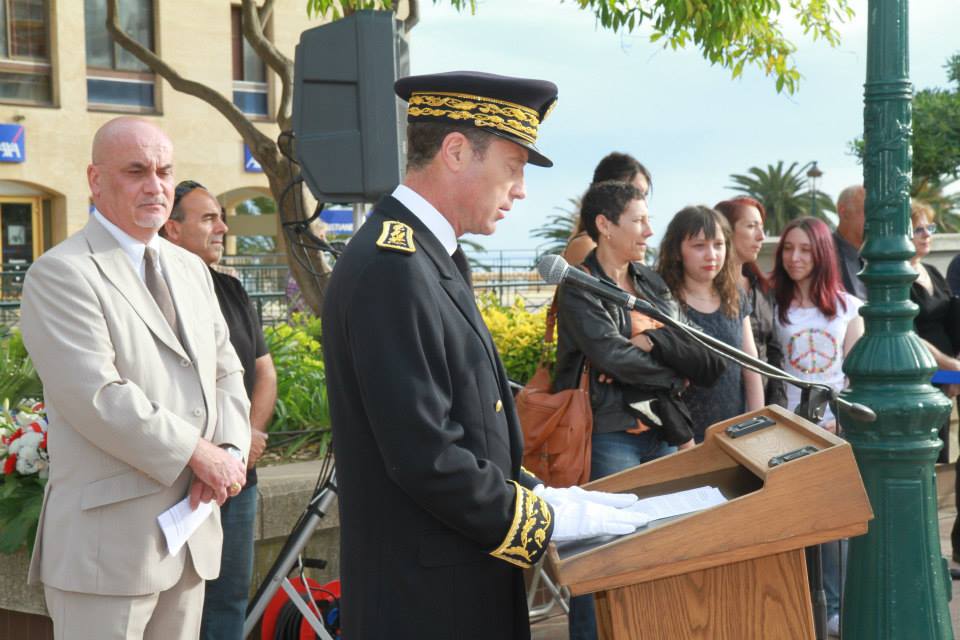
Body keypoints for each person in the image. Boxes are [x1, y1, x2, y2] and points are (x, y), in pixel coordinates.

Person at [321, 71, 650, 640]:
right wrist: (544, 520)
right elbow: (425, 455)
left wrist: (542, 494)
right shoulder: (391, 268)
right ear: (455, 152)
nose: (520, 189)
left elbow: (469, 428)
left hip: (456, 581)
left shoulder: (430, 257)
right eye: (514, 166)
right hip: (425, 604)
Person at [19, 117, 251, 639]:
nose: (155, 185)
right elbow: (97, 396)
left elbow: (226, 370)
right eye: (136, 171)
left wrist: (231, 451)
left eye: (164, 171)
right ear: (95, 180)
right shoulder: (62, 273)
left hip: (189, 534)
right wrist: (200, 454)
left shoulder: (191, 269)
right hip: (107, 552)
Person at [555, 182, 726, 640]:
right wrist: (672, 371)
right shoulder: (579, 287)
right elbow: (613, 357)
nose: (650, 230)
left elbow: (694, 349)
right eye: (639, 220)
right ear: (605, 226)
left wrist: (652, 341)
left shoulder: (650, 281)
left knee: (661, 546)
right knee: (600, 554)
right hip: (610, 436)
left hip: (661, 431)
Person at [161, 180, 278, 639]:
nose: (223, 228)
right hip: (179, 481)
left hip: (237, 478)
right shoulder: (154, 293)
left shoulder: (231, 289)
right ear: (173, 229)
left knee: (228, 600)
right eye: (209, 218)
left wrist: (244, 441)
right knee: (175, 607)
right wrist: (205, 453)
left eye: (221, 218)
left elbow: (263, 372)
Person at [771, 217, 864, 635]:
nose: (795, 258)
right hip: (786, 433)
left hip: (835, 431)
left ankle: (835, 613)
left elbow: (854, 377)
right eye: (789, 249)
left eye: (806, 249)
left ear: (822, 253)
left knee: (834, 531)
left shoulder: (849, 308)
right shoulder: (773, 306)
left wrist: (837, 423)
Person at [657, 205, 764, 442]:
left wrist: (757, 422)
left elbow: (751, 364)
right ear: (677, 251)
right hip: (678, 439)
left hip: (733, 432)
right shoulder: (661, 298)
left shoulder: (735, 295)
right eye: (699, 246)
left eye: (718, 245)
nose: (711, 255)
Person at [715, 197, 787, 407]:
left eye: (761, 227)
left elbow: (774, 353)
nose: (761, 236)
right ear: (726, 230)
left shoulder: (763, 289)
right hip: (722, 408)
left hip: (764, 407)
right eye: (751, 226)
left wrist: (777, 406)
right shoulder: (704, 292)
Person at [562, 152, 652, 267]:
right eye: (632, 191)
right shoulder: (587, 245)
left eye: (644, 194)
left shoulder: (632, 250)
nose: (641, 201)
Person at [833, 185, 868, 300]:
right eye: (867, 211)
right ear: (844, 212)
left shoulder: (880, 255)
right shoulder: (823, 253)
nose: (874, 219)